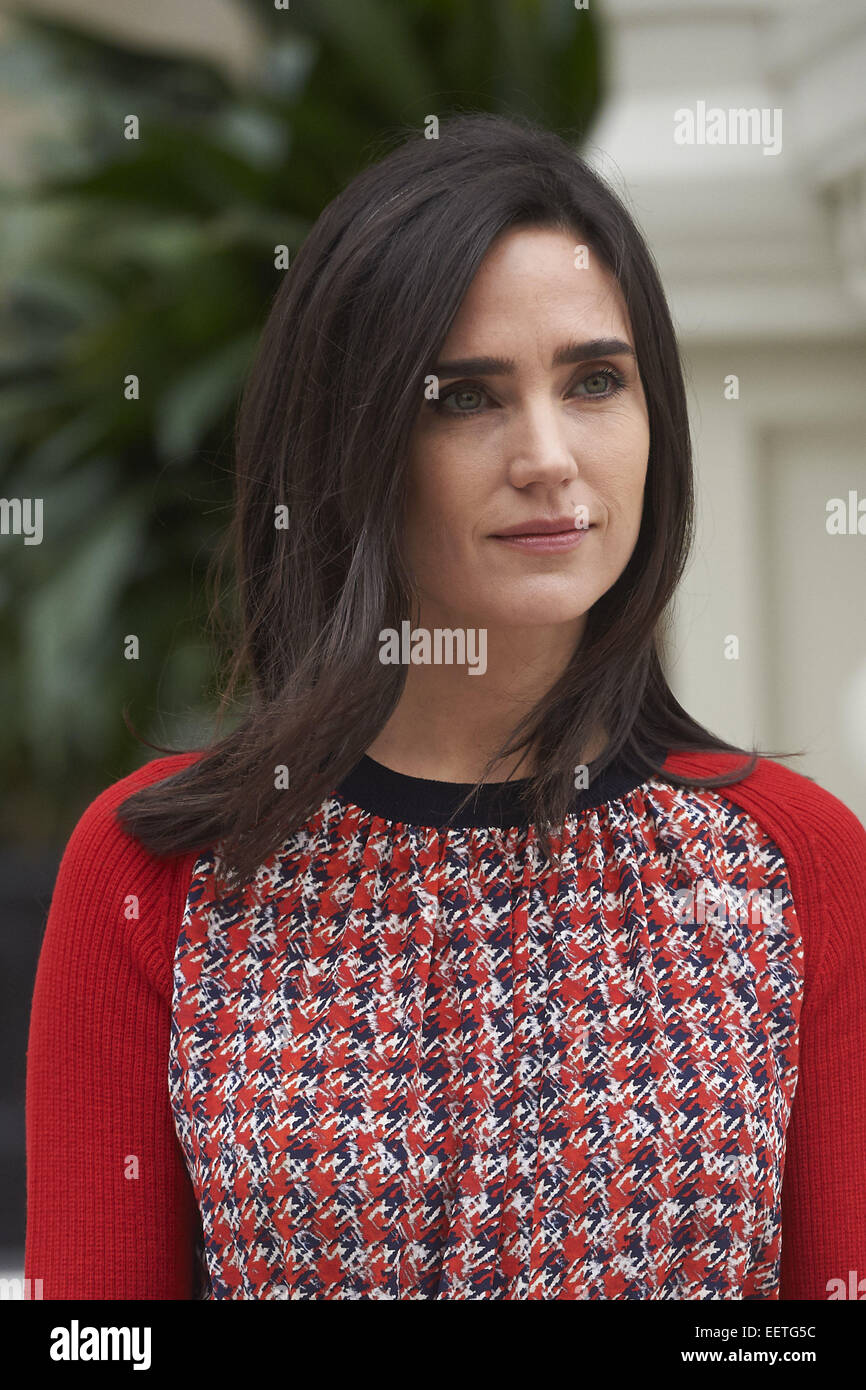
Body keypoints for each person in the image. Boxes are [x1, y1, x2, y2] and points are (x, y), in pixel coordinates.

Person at [24, 113, 866, 1300]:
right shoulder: (155, 871)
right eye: (466, 398)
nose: (546, 455)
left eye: (592, 381)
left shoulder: (793, 866)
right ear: (355, 441)